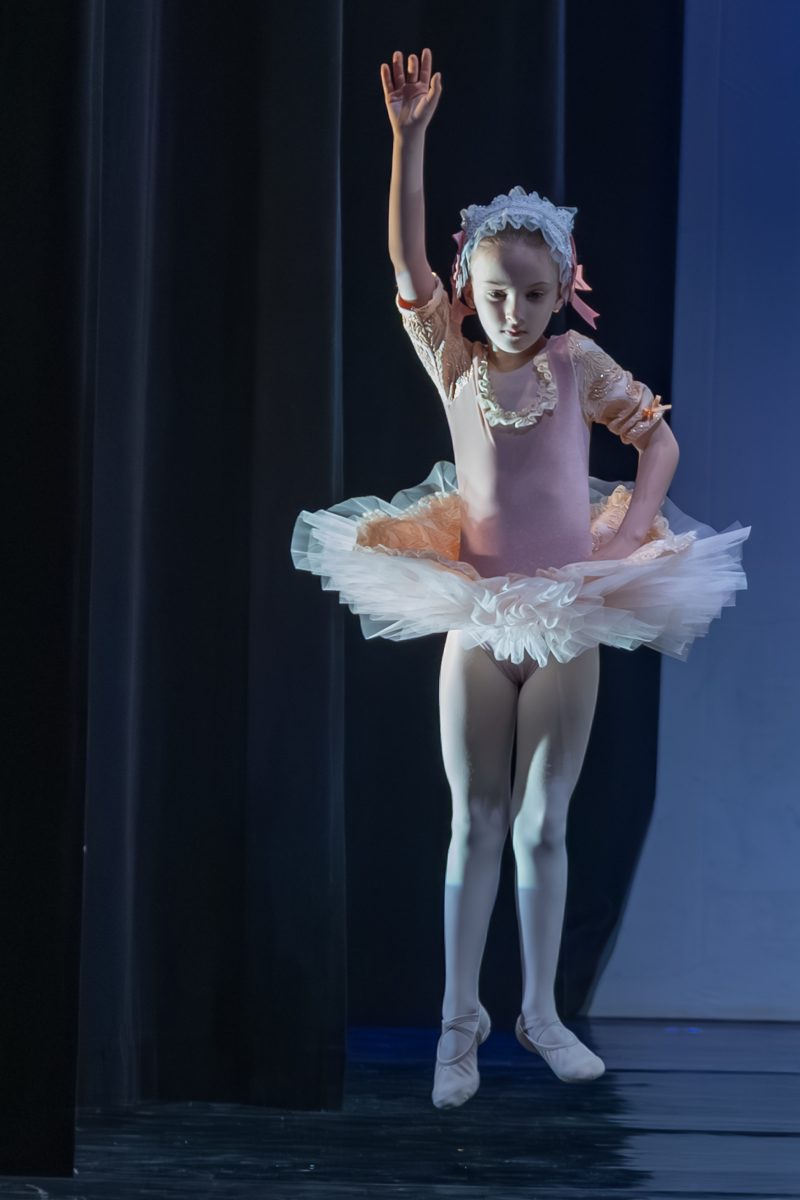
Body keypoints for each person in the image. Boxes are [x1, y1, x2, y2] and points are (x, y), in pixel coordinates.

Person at [290, 48, 751, 1109]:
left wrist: (624, 543)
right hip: (473, 610)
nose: (513, 311)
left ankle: (541, 1012)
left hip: (567, 613)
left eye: (534, 294)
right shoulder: (452, 357)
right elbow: (405, 260)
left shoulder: (575, 364)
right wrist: (408, 140)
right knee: (476, 820)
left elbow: (658, 441)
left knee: (545, 822)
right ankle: (461, 1022)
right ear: (471, 288)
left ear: (559, 293)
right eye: (495, 293)